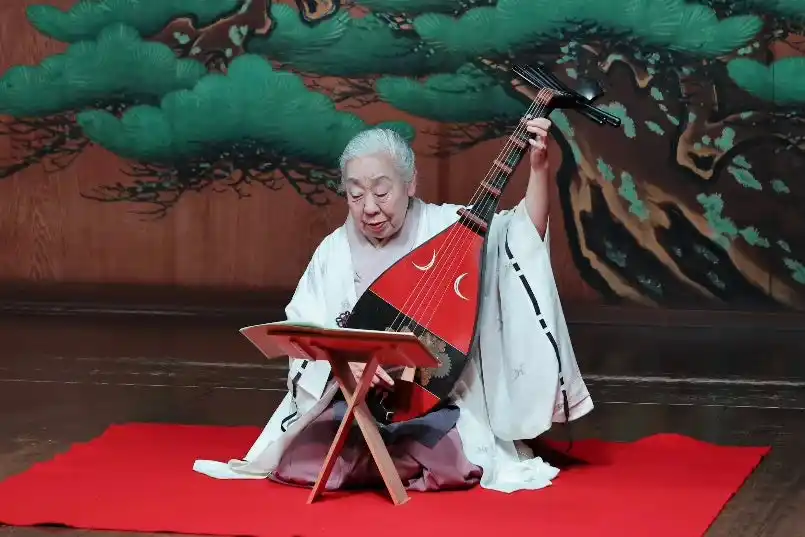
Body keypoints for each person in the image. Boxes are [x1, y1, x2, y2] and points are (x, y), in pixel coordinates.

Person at [193, 119, 593, 493]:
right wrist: (342, 368)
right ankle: (387, 457)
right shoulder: (334, 253)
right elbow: (305, 332)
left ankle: (399, 455)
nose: (369, 207)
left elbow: (520, 237)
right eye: (355, 195)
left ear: (410, 183)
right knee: (302, 462)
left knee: (451, 455)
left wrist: (538, 167)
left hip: (435, 400)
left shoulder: (449, 228)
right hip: (357, 402)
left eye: (381, 193)